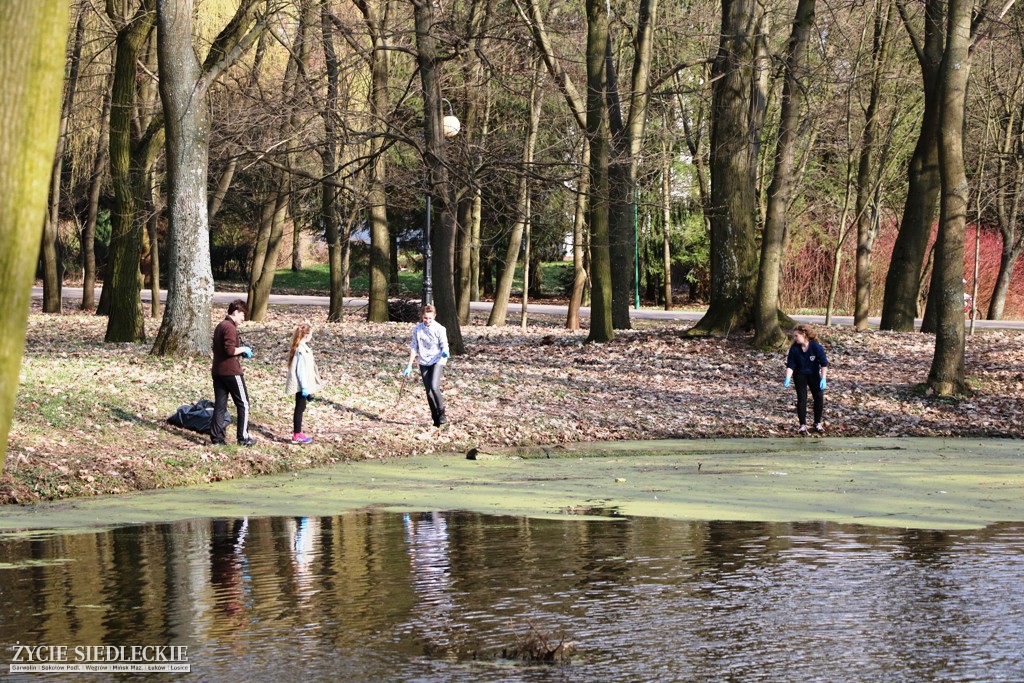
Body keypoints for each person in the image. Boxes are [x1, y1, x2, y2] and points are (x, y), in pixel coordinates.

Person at [211, 299, 255, 446]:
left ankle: (217, 439)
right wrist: (244, 349)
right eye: (242, 315)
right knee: (244, 404)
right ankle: (243, 438)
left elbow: (222, 349)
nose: (243, 319)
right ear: (235, 312)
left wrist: (239, 352)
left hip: (218, 371)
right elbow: (230, 350)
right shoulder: (230, 327)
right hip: (231, 372)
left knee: (220, 406)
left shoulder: (220, 326)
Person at [404, 304, 450, 427]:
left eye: (430, 318)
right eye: (425, 318)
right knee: (428, 391)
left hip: (437, 359)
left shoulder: (440, 329)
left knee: (434, 387)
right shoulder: (417, 329)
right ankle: (435, 418)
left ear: (434, 316)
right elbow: (414, 347)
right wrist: (409, 366)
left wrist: (445, 351)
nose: (428, 321)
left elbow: (444, 344)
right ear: (422, 317)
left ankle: (442, 415)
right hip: (424, 360)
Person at [783, 323, 829, 435]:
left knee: (818, 397)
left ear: (804, 334)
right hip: (800, 375)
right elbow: (791, 365)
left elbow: (824, 364)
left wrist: (823, 378)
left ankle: (817, 423)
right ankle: (802, 425)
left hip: (813, 374)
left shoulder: (816, 347)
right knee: (802, 399)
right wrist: (788, 378)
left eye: (796, 336)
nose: (794, 338)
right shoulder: (794, 349)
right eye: (794, 336)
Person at [285, 323, 322, 444]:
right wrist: (305, 387)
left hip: (305, 385)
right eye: (311, 333)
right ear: (306, 335)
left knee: (302, 407)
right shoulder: (301, 350)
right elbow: (300, 370)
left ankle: (298, 433)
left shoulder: (303, 347)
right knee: (299, 408)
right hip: (302, 385)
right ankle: (297, 434)